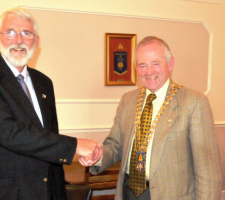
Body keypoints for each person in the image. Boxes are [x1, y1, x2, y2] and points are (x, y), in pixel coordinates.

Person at [0, 7, 101, 200]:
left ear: (36, 41)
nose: (19, 40)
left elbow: (49, 138)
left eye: (26, 33)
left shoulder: (44, 82)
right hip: (1, 193)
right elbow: (9, 132)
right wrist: (74, 146)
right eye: (10, 32)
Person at [79, 36, 222, 200]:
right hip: (128, 193)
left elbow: (208, 171)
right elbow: (115, 145)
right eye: (143, 65)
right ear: (136, 68)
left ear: (170, 64)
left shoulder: (194, 103)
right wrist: (99, 157)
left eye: (156, 63)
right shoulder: (128, 100)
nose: (149, 71)